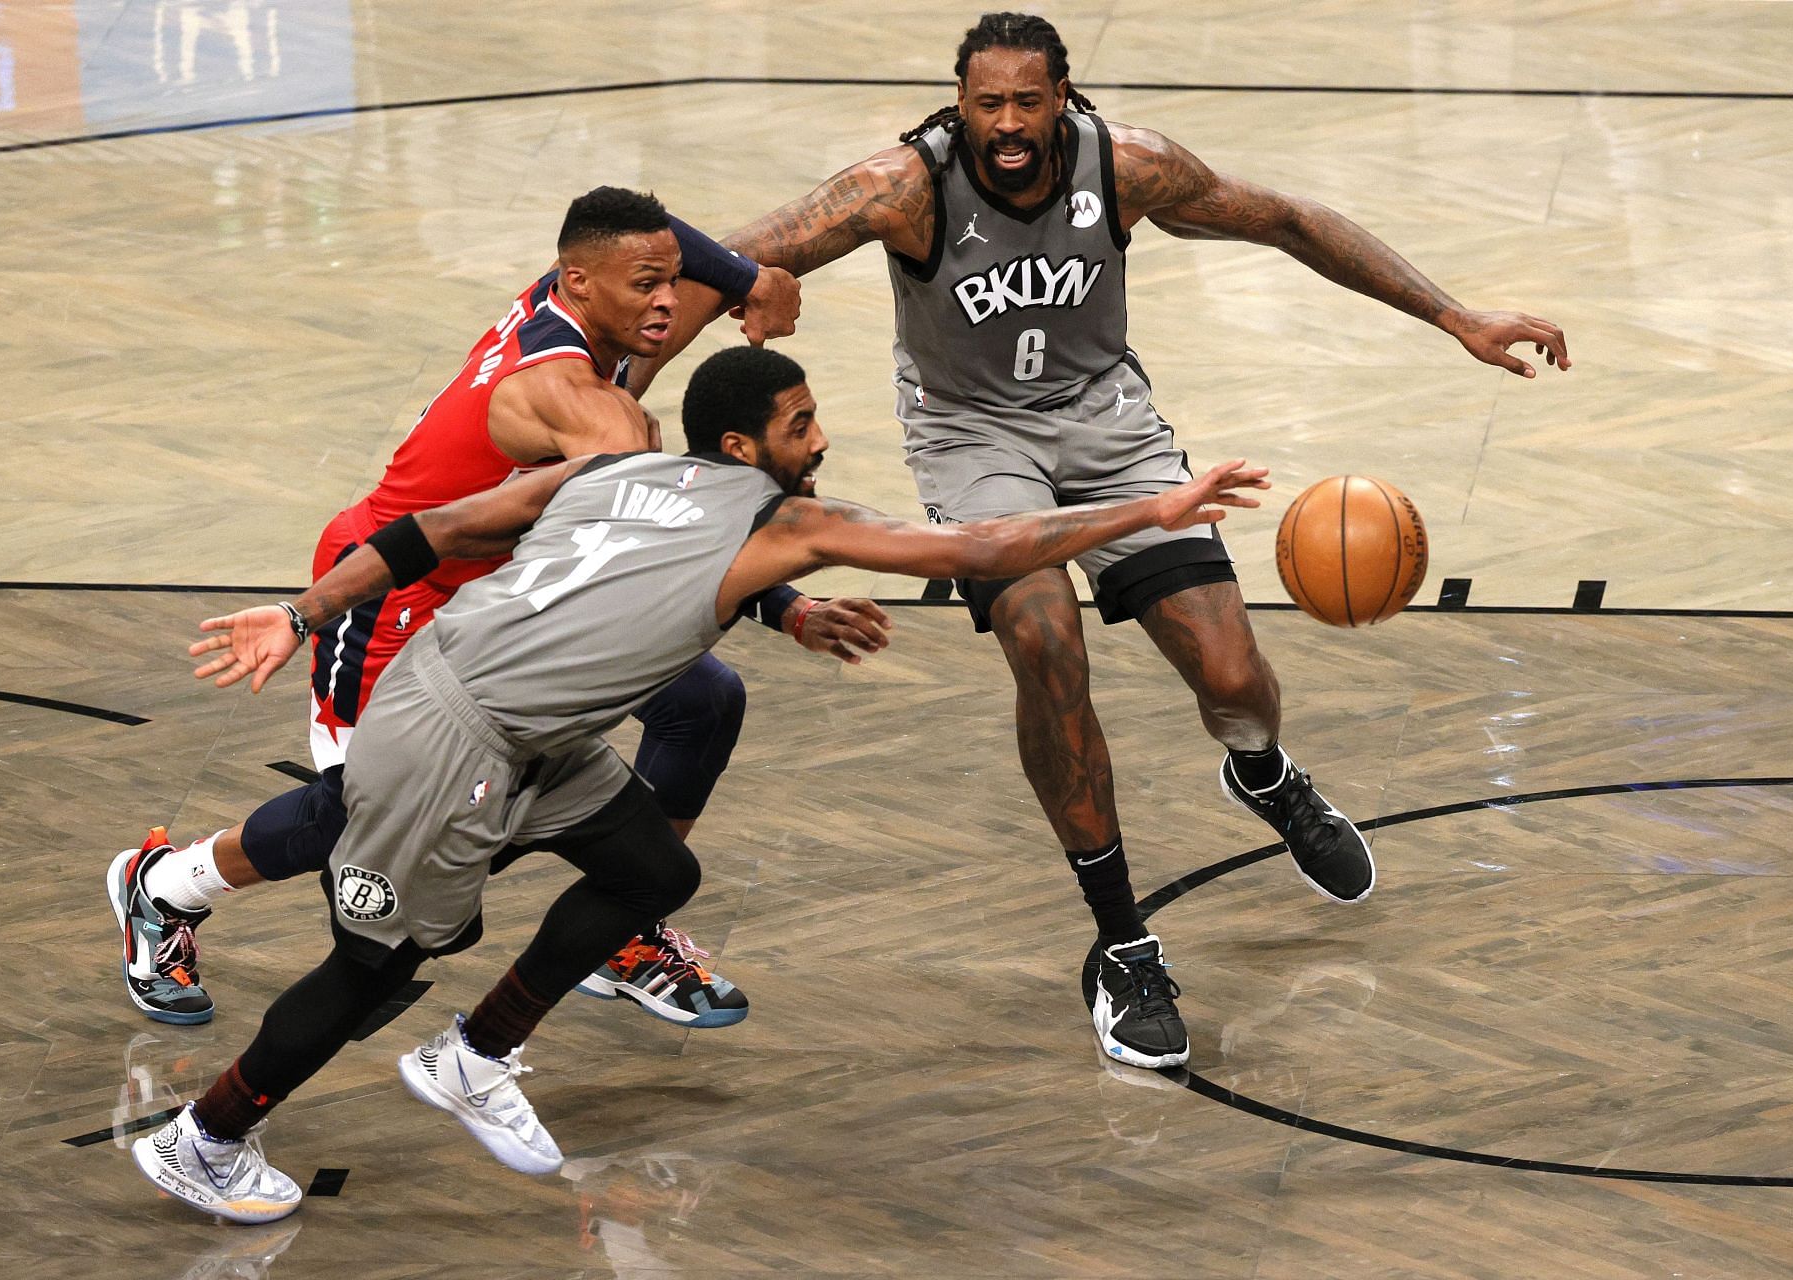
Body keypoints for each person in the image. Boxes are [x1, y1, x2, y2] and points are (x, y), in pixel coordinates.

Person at [131, 345, 1270, 1223]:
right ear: (741, 445)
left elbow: (438, 532)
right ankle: (206, 1135)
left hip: (515, 719)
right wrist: (1153, 509)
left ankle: (472, 1053)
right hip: (454, 740)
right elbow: (981, 548)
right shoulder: (789, 519)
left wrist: (302, 609)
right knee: (374, 967)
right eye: (800, 423)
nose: (819, 439)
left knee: (650, 865)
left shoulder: (613, 469)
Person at [657, 11, 1573, 1070]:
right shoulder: (903, 188)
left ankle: (1263, 772)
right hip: (972, 439)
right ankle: (1122, 941)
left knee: (1232, 673)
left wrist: (1455, 315)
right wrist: (626, 369)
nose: (1007, 122)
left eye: (1027, 101)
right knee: (1044, 635)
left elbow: (1286, 218)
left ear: (1061, 97)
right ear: (961, 103)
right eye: (987, 102)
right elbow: (715, 257)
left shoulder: (1126, 166)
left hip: (1106, 424)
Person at [107, 187, 894, 1031]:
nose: (670, 302)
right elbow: (662, 542)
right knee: (359, 815)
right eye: (647, 286)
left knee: (703, 701)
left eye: (672, 281)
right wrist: (781, 605)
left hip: (508, 600)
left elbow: (674, 251)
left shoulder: (594, 304)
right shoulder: (583, 404)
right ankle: (163, 886)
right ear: (583, 282)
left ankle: (625, 924)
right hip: (395, 589)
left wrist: (747, 275)